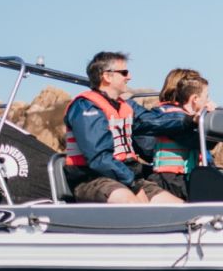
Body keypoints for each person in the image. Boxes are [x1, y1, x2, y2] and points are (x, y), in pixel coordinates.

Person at [62, 51, 195, 204]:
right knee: (133, 204)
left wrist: (191, 119)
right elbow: (99, 158)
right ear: (107, 76)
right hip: (93, 179)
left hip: (127, 177)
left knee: (181, 210)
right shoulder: (86, 106)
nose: (129, 77)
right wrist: (134, 185)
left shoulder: (126, 106)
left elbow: (153, 120)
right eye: (124, 72)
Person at [135, 68, 216, 201]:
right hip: (171, 180)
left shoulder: (186, 117)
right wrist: (208, 121)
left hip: (186, 177)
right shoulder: (170, 117)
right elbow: (195, 140)